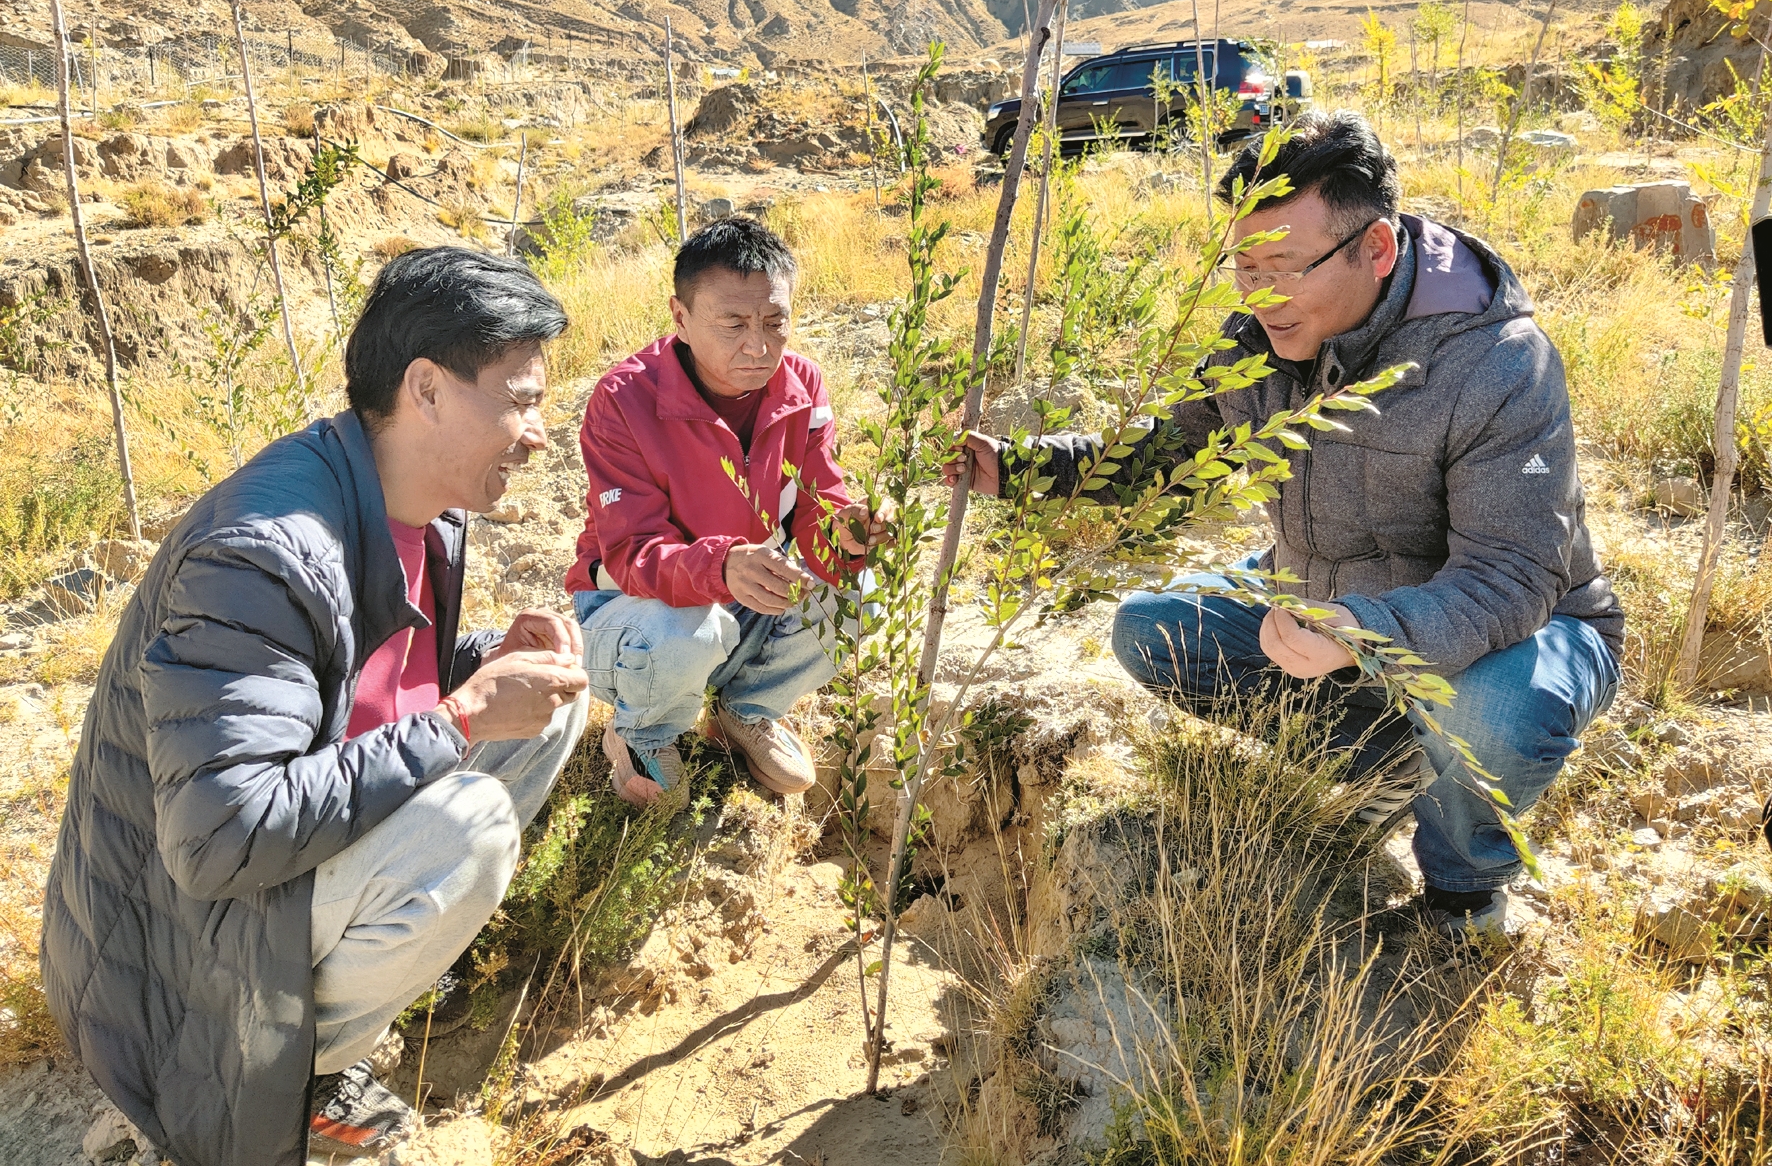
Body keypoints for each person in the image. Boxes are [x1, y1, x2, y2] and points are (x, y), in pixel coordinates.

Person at [948, 110, 1623, 938]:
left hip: (1514, 631)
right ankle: (1402, 759)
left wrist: (1362, 631)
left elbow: (1511, 579)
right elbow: (1166, 451)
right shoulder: (1256, 341)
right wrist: (1018, 467)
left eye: (1286, 268)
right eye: (1246, 266)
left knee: (1492, 715)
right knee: (1152, 631)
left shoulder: (1498, 361)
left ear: (1376, 249)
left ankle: (1463, 891)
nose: (1259, 295)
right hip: (1322, 601)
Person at [40, 248, 592, 1165]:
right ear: (425, 389)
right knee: (473, 824)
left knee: (554, 702)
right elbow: (221, 834)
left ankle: (364, 981)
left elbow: (358, 682)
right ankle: (305, 1067)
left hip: (264, 877)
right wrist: (460, 719)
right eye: (521, 400)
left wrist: (484, 666)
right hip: (169, 970)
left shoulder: (415, 499)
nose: (539, 434)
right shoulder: (260, 557)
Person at [567, 216, 886, 805]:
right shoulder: (624, 399)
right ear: (681, 317)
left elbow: (817, 505)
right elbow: (630, 553)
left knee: (860, 595)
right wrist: (721, 567)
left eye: (774, 322)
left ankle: (746, 709)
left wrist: (845, 532)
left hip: (743, 592)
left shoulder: (802, 385)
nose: (758, 345)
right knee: (686, 630)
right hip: (634, 608)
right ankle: (643, 731)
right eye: (733, 324)